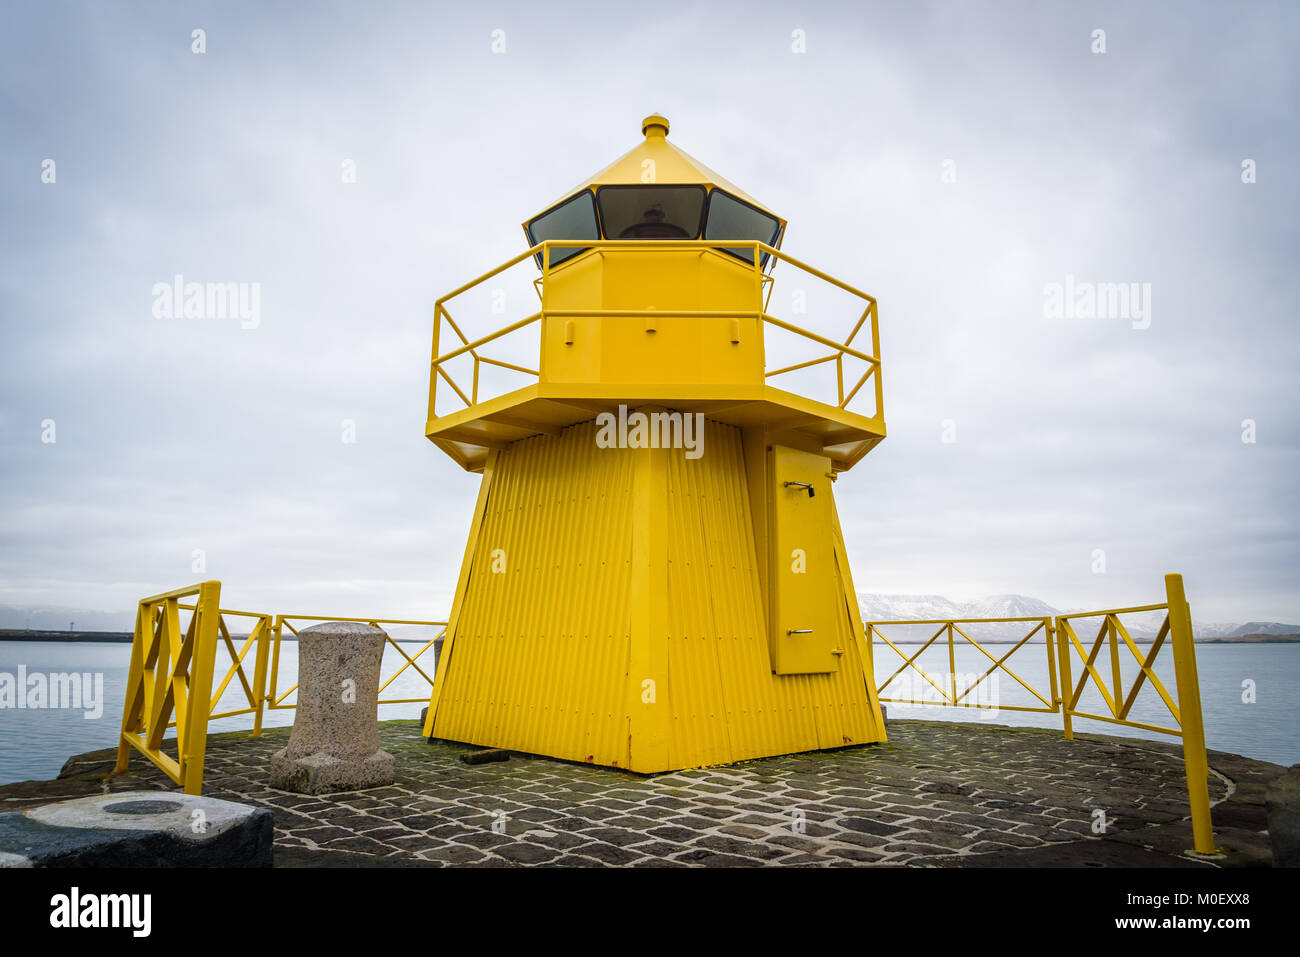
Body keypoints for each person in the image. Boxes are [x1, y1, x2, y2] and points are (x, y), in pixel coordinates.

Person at [619, 202, 689, 239]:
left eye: (656, 215)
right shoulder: (637, 231)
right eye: (650, 215)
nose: (653, 217)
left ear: (662, 217)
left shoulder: (672, 231)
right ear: (645, 217)